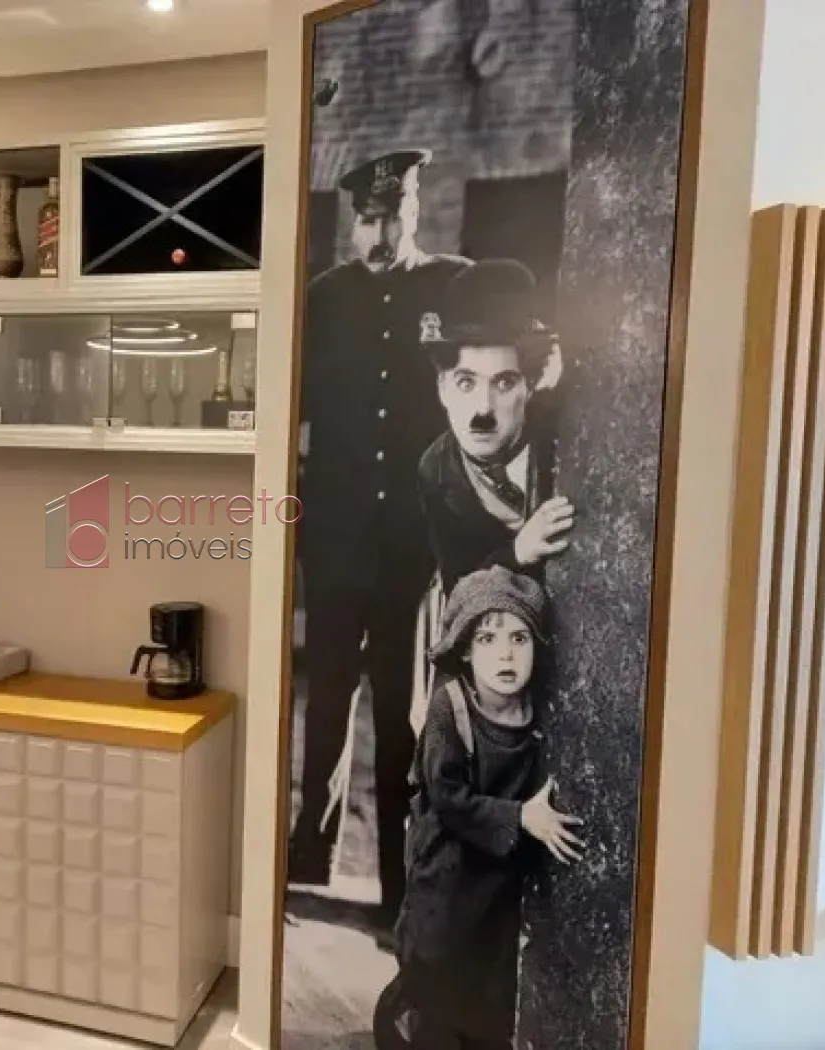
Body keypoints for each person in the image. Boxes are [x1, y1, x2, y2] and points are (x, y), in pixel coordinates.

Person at [290, 147, 473, 928]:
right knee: (325, 700)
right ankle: (307, 858)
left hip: (410, 545)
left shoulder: (452, 287)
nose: (379, 234)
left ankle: (399, 886)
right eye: (366, 219)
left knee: (402, 714)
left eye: (391, 216)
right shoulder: (324, 298)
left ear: (414, 212)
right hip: (335, 538)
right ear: (352, 223)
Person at [373, 565, 584, 1050]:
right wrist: (519, 817)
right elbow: (446, 795)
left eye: (519, 638)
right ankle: (401, 1019)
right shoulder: (450, 708)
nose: (505, 653)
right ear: (465, 650)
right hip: (445, 873)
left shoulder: (535, 712)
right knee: (433, 972)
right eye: (488, 639)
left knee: (485, 985)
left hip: (495, 879)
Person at [418, 259, 572, 595]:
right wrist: (517, 552)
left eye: (504, 383)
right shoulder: (437, 468)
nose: (483, 409)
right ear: (443, 389)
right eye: (466, 383)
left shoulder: (562, 441)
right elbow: (458, 580)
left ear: (530, 386)